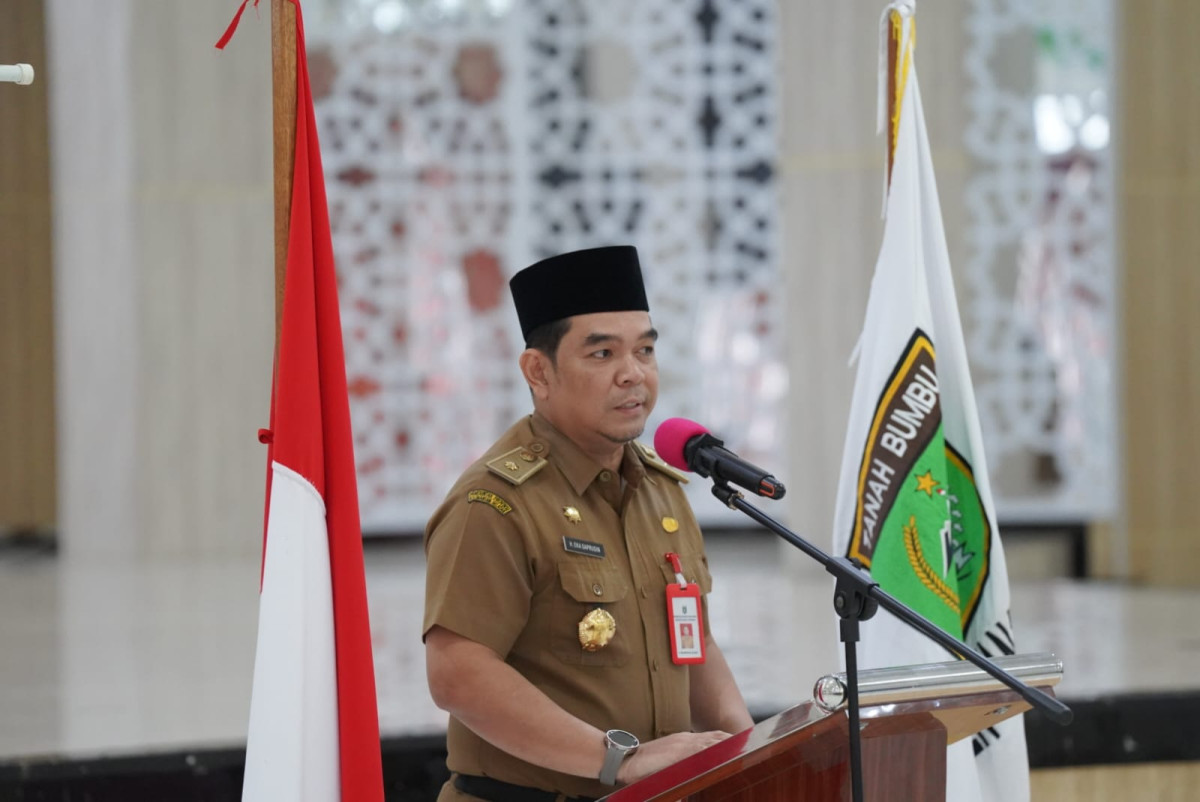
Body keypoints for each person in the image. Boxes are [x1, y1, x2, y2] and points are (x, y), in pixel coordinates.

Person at [423, 245, 753, 802]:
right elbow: (459, 673)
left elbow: (692, 644)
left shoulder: (660, 492)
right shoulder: (495, 503)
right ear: (538, 371)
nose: (633, 375)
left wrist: (749, 752)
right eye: (602, 354)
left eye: (645, 351)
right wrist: (619, 761)